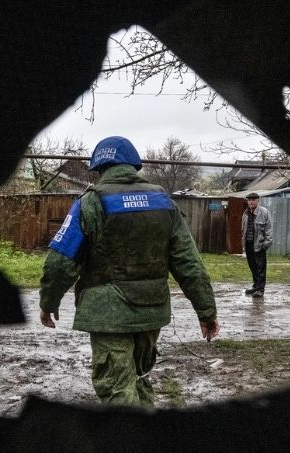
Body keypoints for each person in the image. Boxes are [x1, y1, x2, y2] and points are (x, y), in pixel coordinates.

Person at [39, 136, 220, 408]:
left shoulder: (91, 202)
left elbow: (60, 262)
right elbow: (189, 263)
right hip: (151, 311)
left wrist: (48, 302)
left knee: (117, 388)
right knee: (140, 378)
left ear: (99, 168)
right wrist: (206, 312)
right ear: (134, 165)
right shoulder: (163, 201)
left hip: (108, 315)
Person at [241, 192, 273, 297]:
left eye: (253, 200)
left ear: (258, 200)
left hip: (259, 245)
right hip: (248, 244)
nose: (251, 202)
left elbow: (269, 229)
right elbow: (243, 229)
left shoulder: (264, 212)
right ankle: (255, 286)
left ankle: (260, 289)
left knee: (260, 268)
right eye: (249, 200)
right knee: (253, 266)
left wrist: (266, 244)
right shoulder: (246, 213)